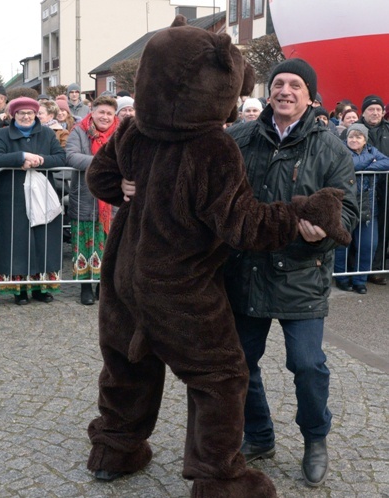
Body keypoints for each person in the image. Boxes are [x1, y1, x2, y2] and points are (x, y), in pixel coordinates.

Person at [85, 18, 351, 495]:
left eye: (295, 84)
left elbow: (100, 178)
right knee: (221, 378)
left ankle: (114, 449)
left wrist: (121, 185)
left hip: (123, 275)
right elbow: (244, 224)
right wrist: (301, 213)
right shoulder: (214, 148)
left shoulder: (132, 130)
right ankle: (219, 477)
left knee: (127, 365)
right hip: (178, 284)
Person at [224, 58, 358, 487]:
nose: (284, 90)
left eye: (295, 85)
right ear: (269, 91)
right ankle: (259, 434)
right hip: (245, 269)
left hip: (302, 270)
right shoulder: (240, 137)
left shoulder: (331, 146)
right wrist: (132, 180)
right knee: (241, 363)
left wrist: (327, 230)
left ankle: (315, 439)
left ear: (310, 96)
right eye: (278, 83)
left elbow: (352, 209)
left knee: (308, 364)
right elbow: (197, 175)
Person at [0, 96, 66, 305]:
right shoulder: (3, 134)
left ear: (35, 114)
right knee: (17, 243)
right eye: (21, 113)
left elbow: (60, 158)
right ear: (14, 115)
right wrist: (21, 156)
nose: (26, 116)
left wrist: (40, 160)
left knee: (44, 241)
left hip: (42, 196)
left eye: (30, 113)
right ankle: (18, 289)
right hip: (13, 197)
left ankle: (41, 288)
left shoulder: (47, 133)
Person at [66, 95, 119, 305]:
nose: (105, 117)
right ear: (93, 111)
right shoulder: (79, 130)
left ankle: (102, 287)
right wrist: (105, 162)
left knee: (108, 245)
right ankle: (85, 287)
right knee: (84, 243)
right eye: (101, 112)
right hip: (85, 197)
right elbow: (71, 156)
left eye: (109, 113)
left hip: (112, 199)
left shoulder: (120, 132)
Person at [334, 123, 389, 294]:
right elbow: (349, 165)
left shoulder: (373, 151)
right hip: (345, 206)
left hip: (368, 206)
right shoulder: (341, 150)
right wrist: (368, 161)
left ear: (365, 139)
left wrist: (365, 164)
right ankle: (342, 278)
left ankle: (360, 280)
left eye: (358, 136)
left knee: (368, 245)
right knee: (342, 244)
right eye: (351, 136)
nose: (354, 140)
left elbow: (387, 162)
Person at [359, 95, 389, 284]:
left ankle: (377, 268)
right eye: (371, 109)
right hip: (363, 187)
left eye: (379, 109)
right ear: (363, 112)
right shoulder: (356, 131)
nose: (375, 113)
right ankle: (358, 268)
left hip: (385, 187)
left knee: (383, 227)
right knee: (363, 228)